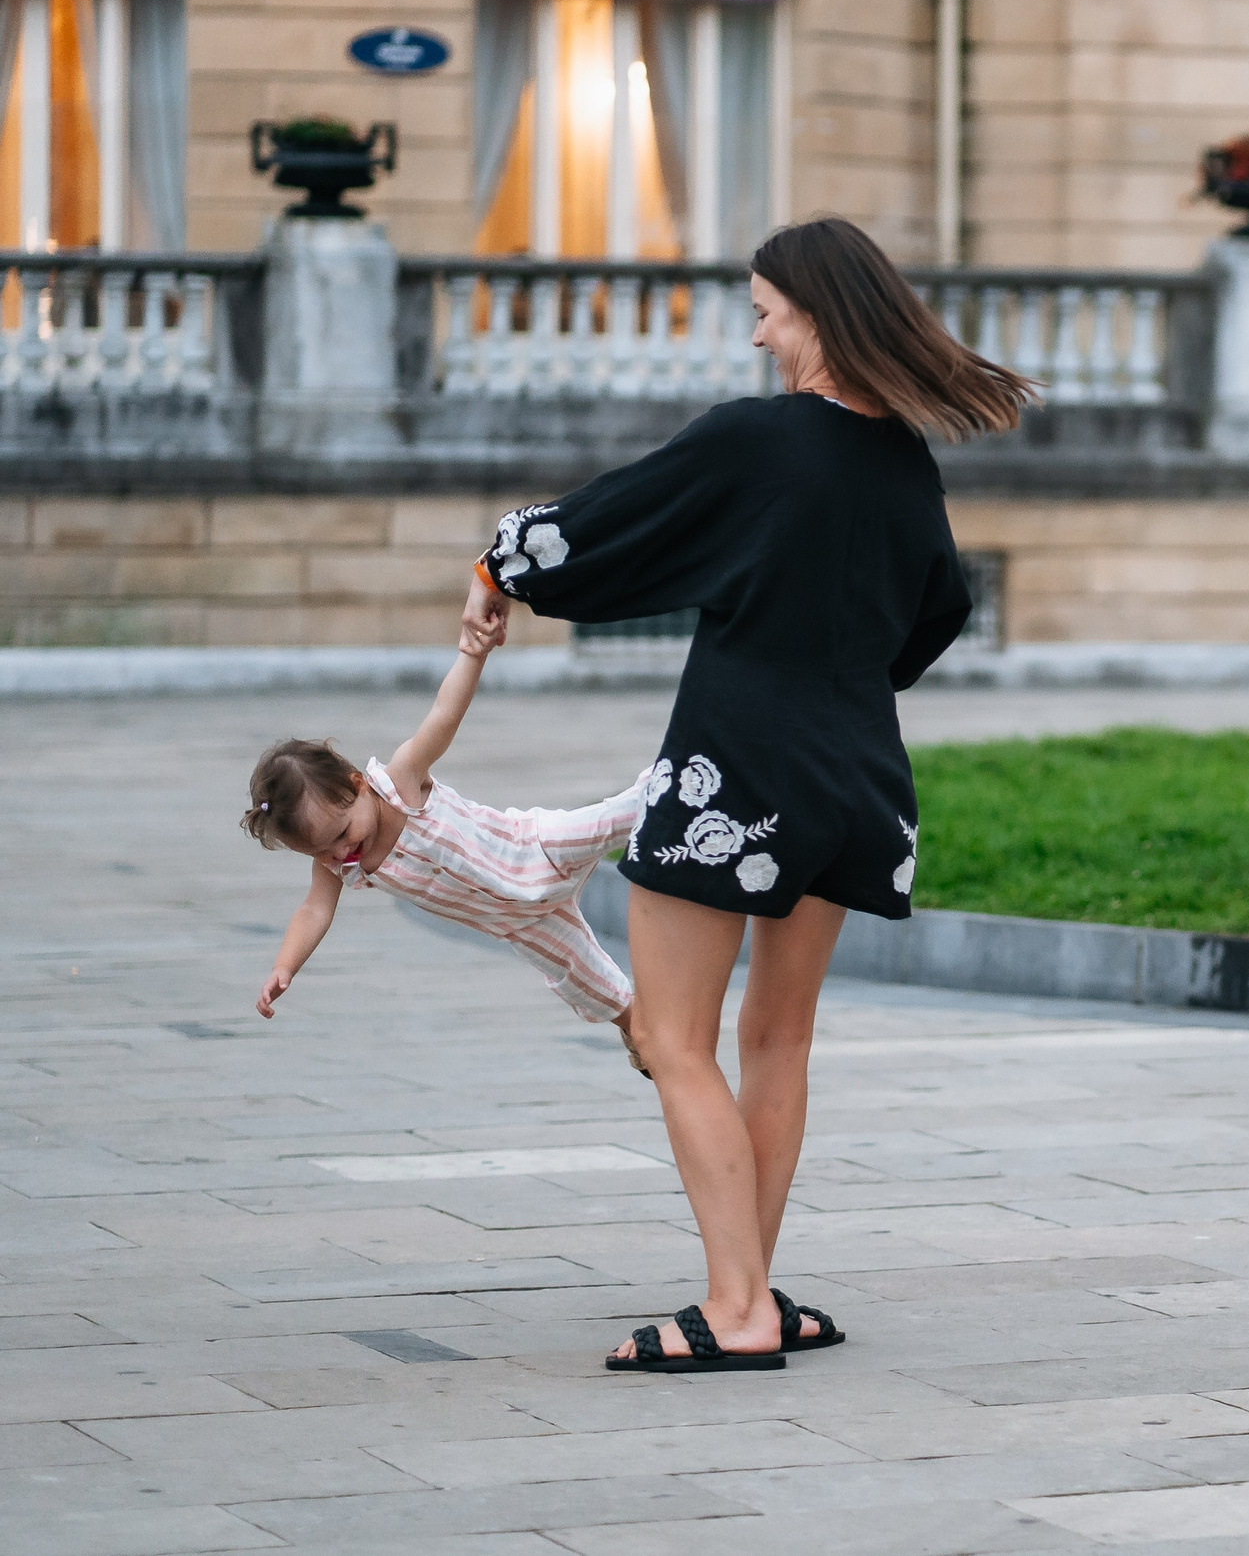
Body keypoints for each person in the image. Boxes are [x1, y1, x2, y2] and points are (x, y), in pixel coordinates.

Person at [462, 216, 1031, 1373]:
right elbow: (939, 611)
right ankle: (755, 1287)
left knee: (673, 1036)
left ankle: (735, 1311)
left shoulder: (758, 441)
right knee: (778, 1038)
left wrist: (495, 566)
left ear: (817, 313)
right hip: (858, 777)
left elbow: (603, 525)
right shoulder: (902, 458)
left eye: (767, 310)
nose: (759, 333)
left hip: (736, 766)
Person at [241, 639, 650, 1076]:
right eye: (320, 850)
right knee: (586, 981)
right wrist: (285, 965)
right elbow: (314, 910)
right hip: (521, 923)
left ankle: (682, 777)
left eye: (341, 833)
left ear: (357, 783)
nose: (339, 852)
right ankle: (642, 1033)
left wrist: (473, 654)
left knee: (615, 817)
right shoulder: (339, 864)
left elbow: (444, 714)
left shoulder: (401, 781)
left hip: (532, 847)